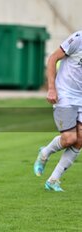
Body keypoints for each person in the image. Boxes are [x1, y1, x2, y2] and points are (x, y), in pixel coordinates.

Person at [34, 31, 82, 191]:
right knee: (69, 138)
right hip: (65, 94)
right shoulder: (78, 39)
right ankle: (45, 153)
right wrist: (51, 88)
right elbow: (53, 58)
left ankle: (53, 180)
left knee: (80, 139)